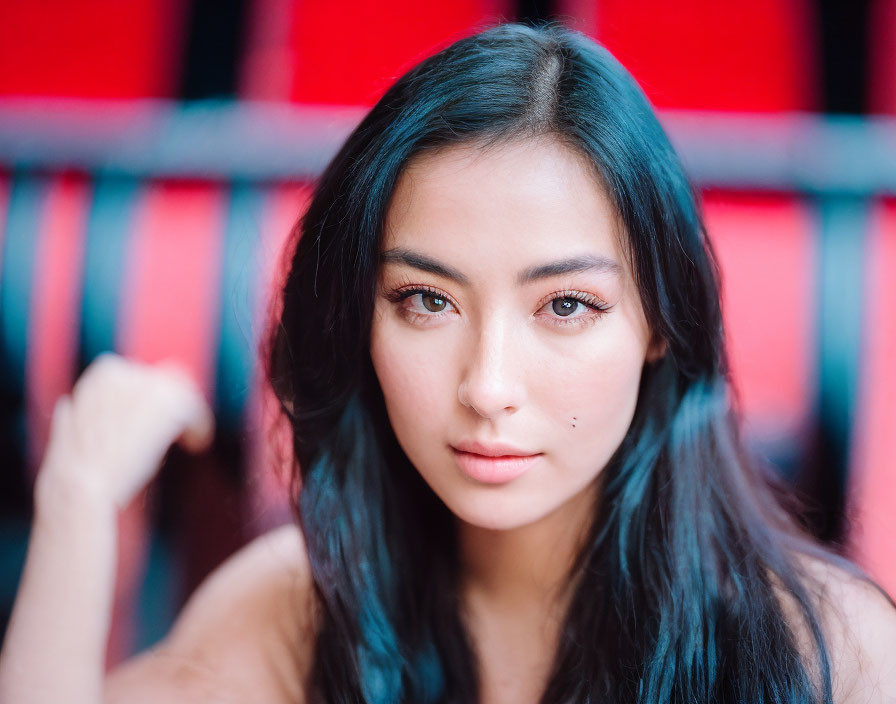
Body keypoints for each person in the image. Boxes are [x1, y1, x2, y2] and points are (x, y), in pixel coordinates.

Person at [1, 21, 895, 704]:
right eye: (427, 301)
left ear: (662, 321)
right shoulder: (306, 610)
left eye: (566, 307)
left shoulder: (825, 653)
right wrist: (76, 504)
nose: (487, 387)